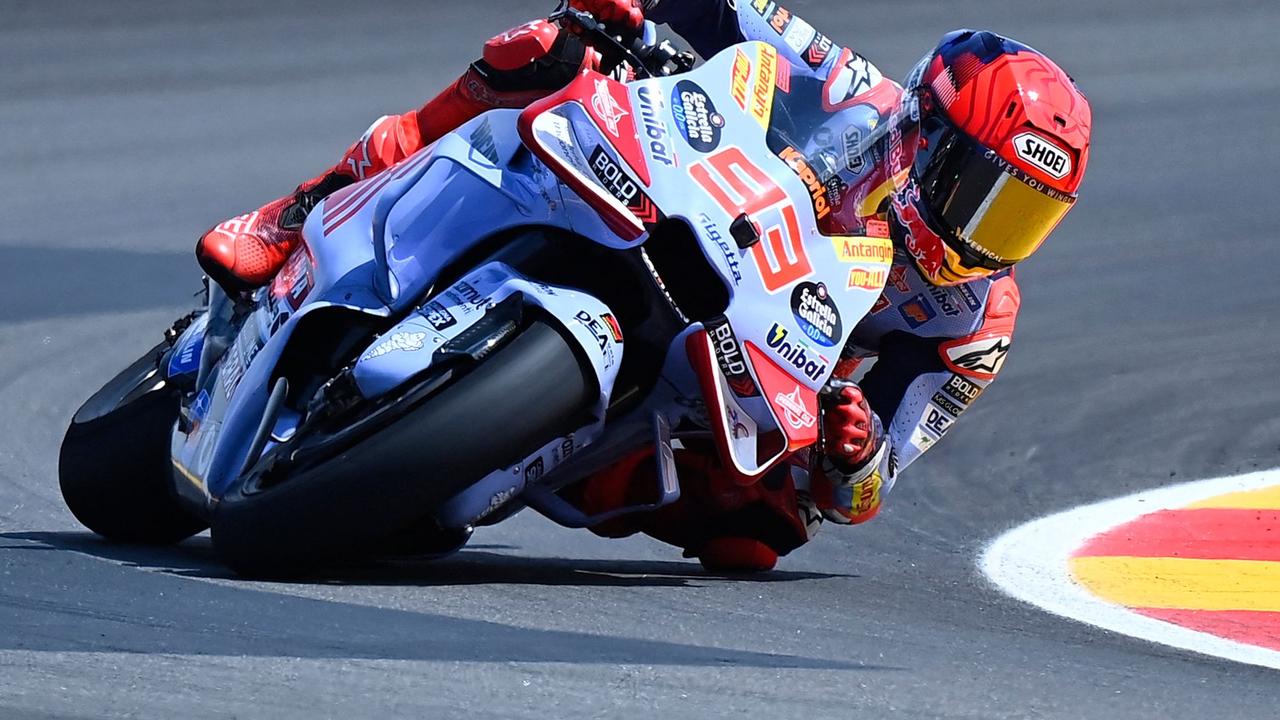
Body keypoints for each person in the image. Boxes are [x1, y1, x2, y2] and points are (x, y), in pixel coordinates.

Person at [195, 0, 1092, 571]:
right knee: (545, 49)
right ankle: (300, 208)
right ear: (927, 133)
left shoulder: (975, 318)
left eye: (1024, 219)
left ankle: (468, 460)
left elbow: (866, 490)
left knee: (761, 537)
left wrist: (855, 454)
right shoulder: (856, 91)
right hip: (671, 198)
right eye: (986, 198)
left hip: (747, 367)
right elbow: (719, 7)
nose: (988, 240)